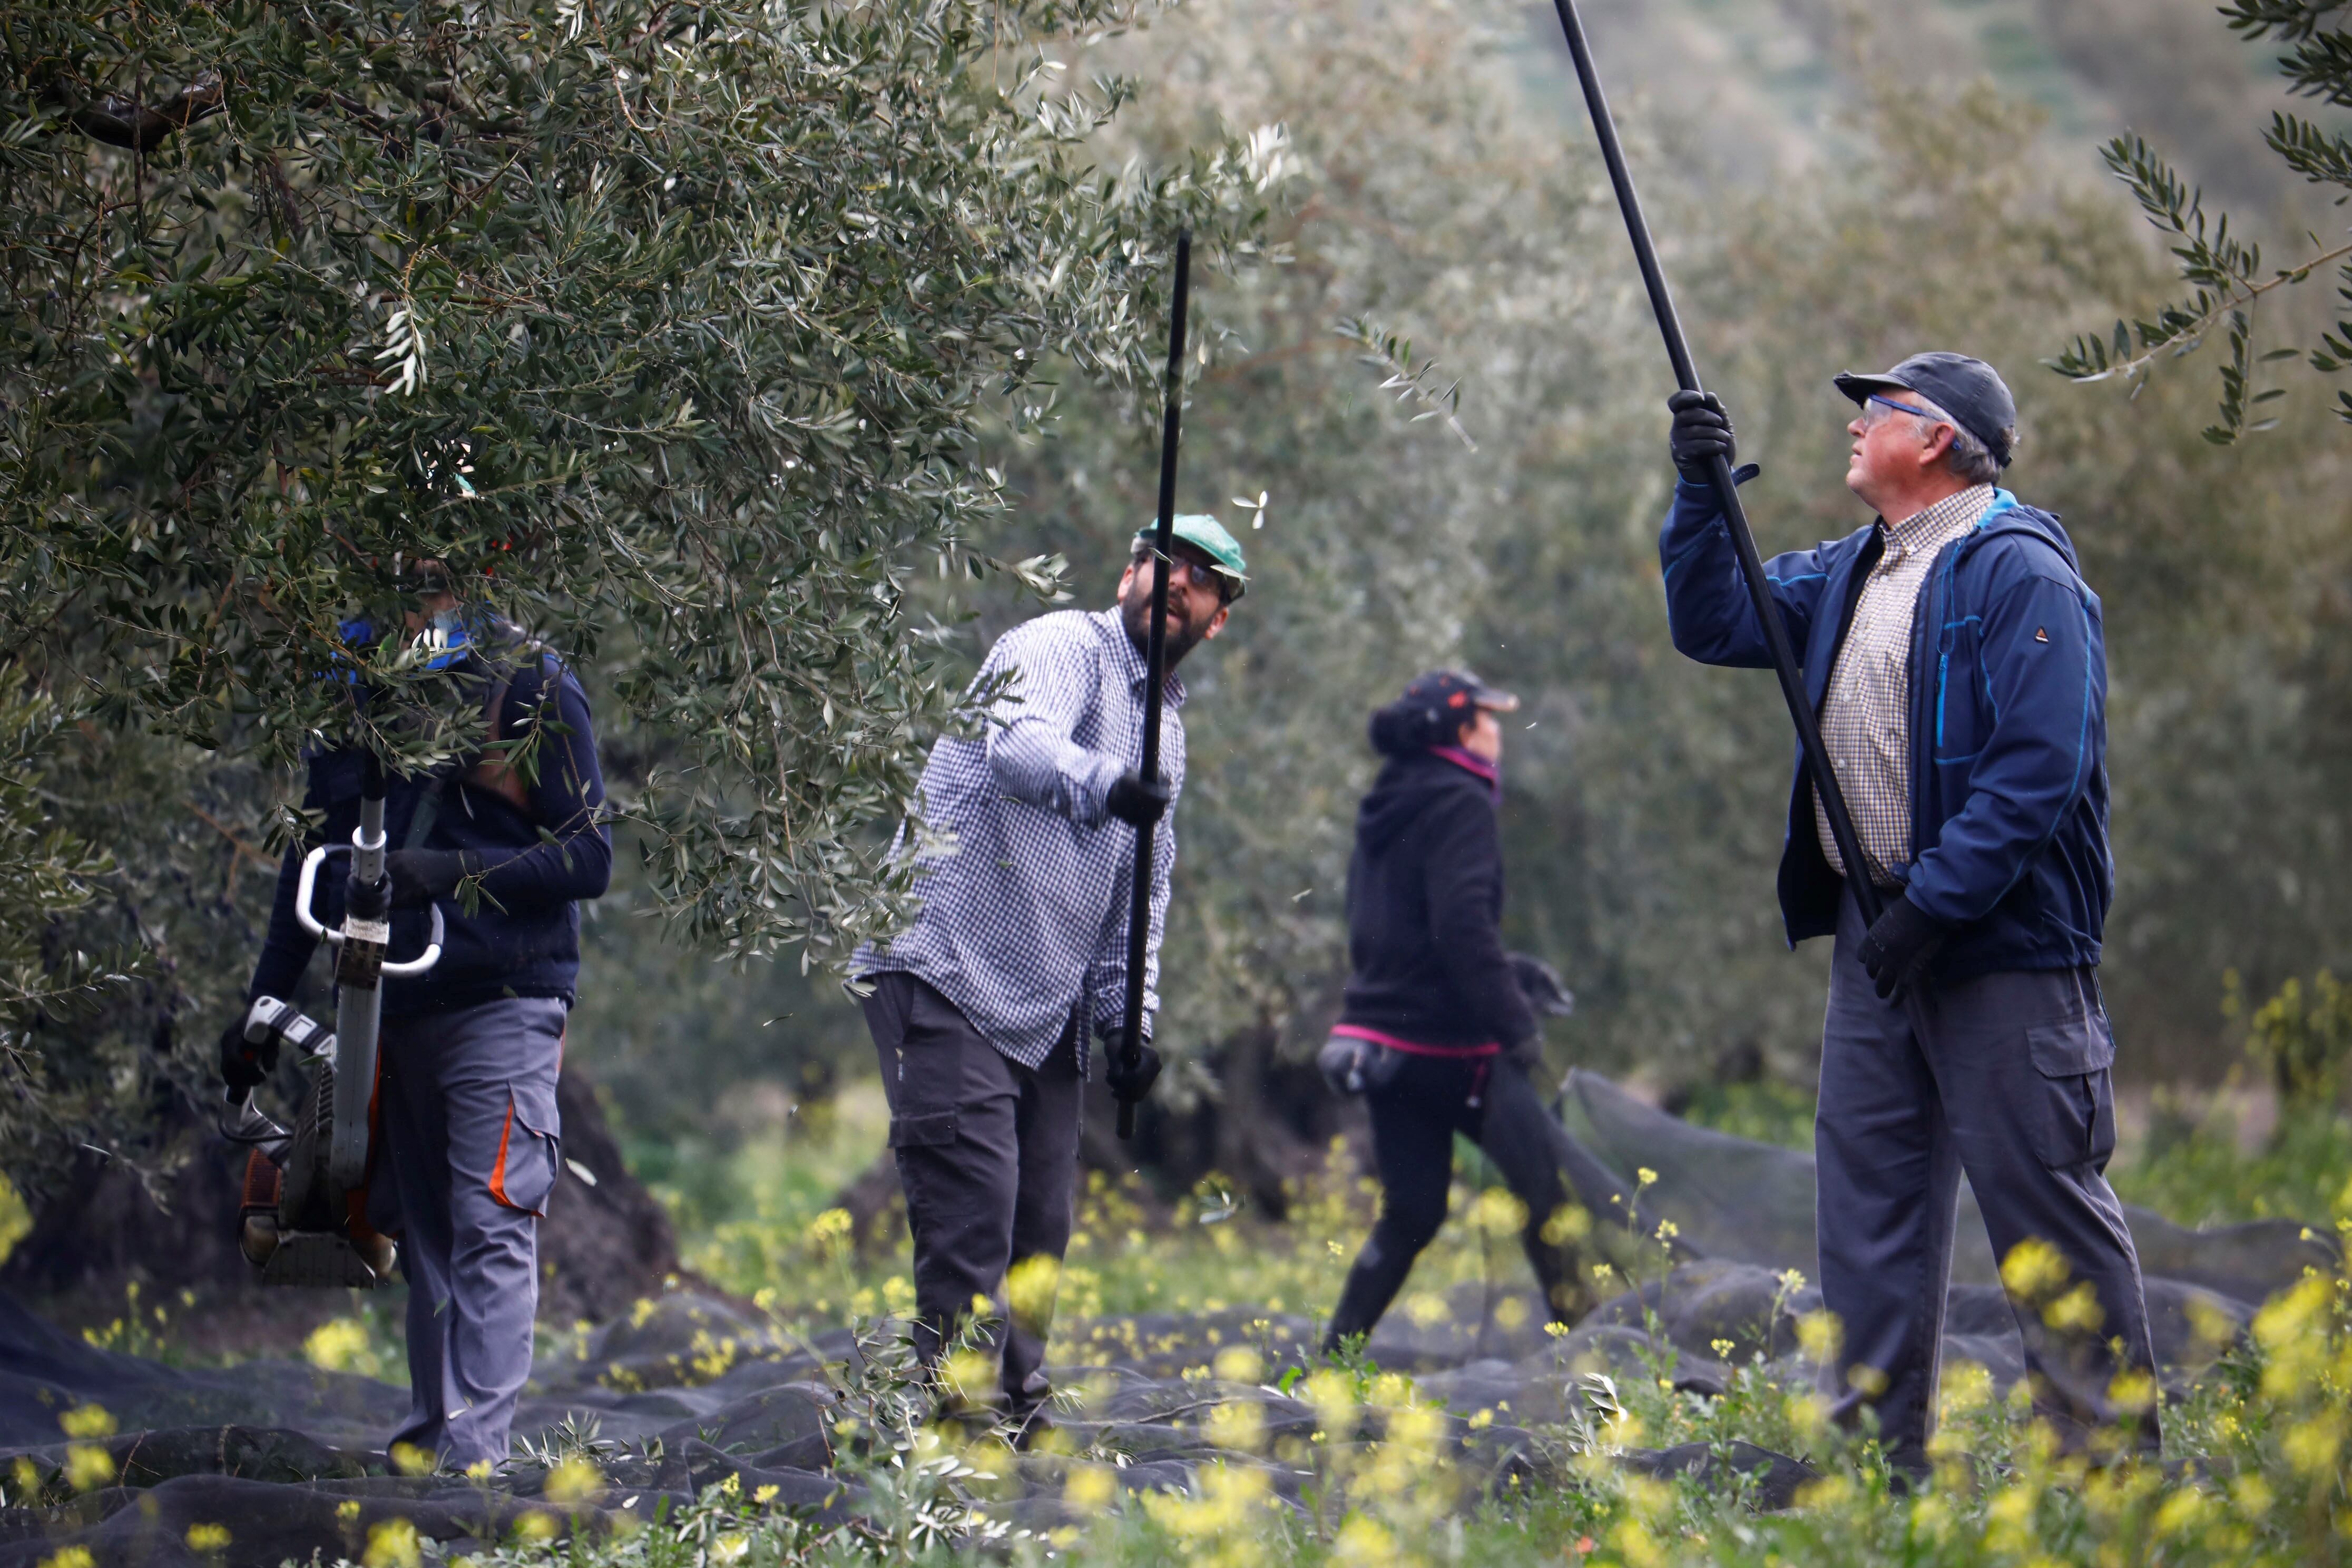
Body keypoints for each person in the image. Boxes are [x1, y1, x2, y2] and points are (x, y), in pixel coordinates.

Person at [1659, 353, 2158, 1467]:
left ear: (1933, 437)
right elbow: (1713, 619)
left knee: (2047, 1214)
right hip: (1881, 947)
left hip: (2000, 952)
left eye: (1871, 410)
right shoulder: (1855, 571)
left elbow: (2040, 765)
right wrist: (1702, 494)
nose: (1851, 427)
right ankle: (1871, 1479)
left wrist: (1934, 907)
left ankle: (2111, 1483)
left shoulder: (2019, 574)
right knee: (1870, 1221)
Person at [850, 515, 1247, 1425]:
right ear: (1128, 577)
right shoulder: (1061, 644)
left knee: (1040, 1230)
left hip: (1042, 1003)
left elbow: (1141, 890)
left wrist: (1131, 1020)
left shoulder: (1169, 734)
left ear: (1219, 618)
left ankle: (1020, 1426)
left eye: (1203, 576)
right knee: (974, 1216)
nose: (1178, 580)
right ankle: (958, 1439)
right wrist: (1108, 784)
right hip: (945, 966)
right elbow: (1021, 748)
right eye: (1164, 563)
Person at [220, 569, 610, 1470]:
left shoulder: (529, 679)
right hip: (392, 1003)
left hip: (501, 999)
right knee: (427, 1237)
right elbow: (309, 854)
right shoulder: (355, 682)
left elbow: (589, 856)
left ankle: (475, 1465)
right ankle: (432, 1454)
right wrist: (263, 1002)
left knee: (491, 1222)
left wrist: (454, 871)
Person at [1318, 671, 1591, 1355]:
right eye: (1491, 721)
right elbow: (1462, 930)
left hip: (1382, 1044)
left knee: (1411, 1213)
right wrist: (1518, 1027)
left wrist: (1515, 972)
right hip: (1454, 1051)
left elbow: (1393, 928)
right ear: (1463, 732)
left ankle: (1334, 1359)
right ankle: (1591, 1364)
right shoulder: (1462, 799)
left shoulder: (1388, 799)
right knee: (1547, 1200)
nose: (1501, 733)